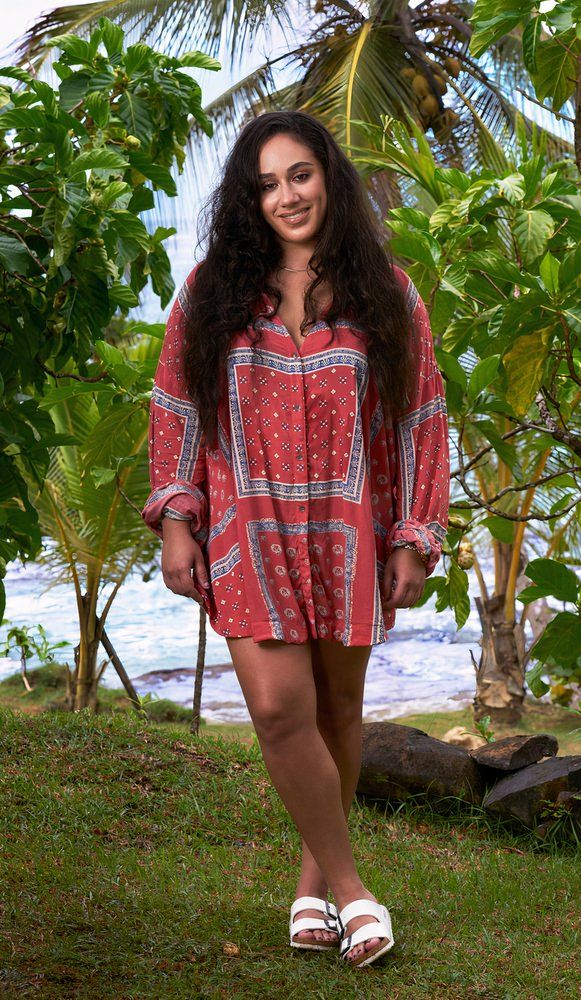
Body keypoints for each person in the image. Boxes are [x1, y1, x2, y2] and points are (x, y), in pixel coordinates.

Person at [141, 110, 450, 969]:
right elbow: (175, 406)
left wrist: (414, 535)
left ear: (329, 179)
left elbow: (420, 417)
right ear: (248, 200)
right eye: (267, 184)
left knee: (338, 711)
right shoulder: (211, 292)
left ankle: (313, 885)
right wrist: (177, 519)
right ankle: (354, 892)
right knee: (280, 711)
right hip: (246, 531)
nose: (286, 196)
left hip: (348, 533)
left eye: (300, 175)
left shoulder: (386, 293)